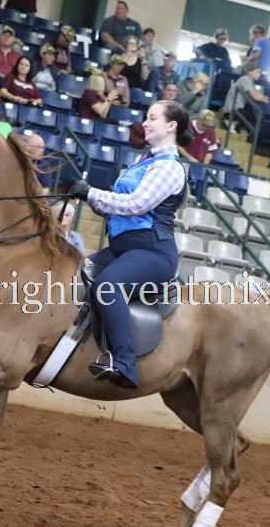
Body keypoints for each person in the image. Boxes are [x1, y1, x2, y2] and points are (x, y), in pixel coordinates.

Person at [67, 100, 190, 388]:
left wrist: (92, 193)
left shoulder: (169, 167)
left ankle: (124, 363)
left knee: (107, 286)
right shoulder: (142, 162)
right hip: (123, 247)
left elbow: (136, 204)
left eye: (153, 118)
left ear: (171, 126)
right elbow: (116, 207)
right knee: (75, 274)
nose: (145, 123)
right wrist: (89, 196)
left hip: (152, 250)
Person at [223, 63, 268, 133]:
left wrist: (261, 97)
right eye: (258, 72)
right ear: (249, 72)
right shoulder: (245, 79)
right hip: (232, 110)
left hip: (237, 110)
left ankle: (240, 129)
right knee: (256, 118)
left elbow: (257, 95)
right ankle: (234, 124)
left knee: (255, 114)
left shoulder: (251, 83)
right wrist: (264, 97)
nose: (259, 74)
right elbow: (255, 96)